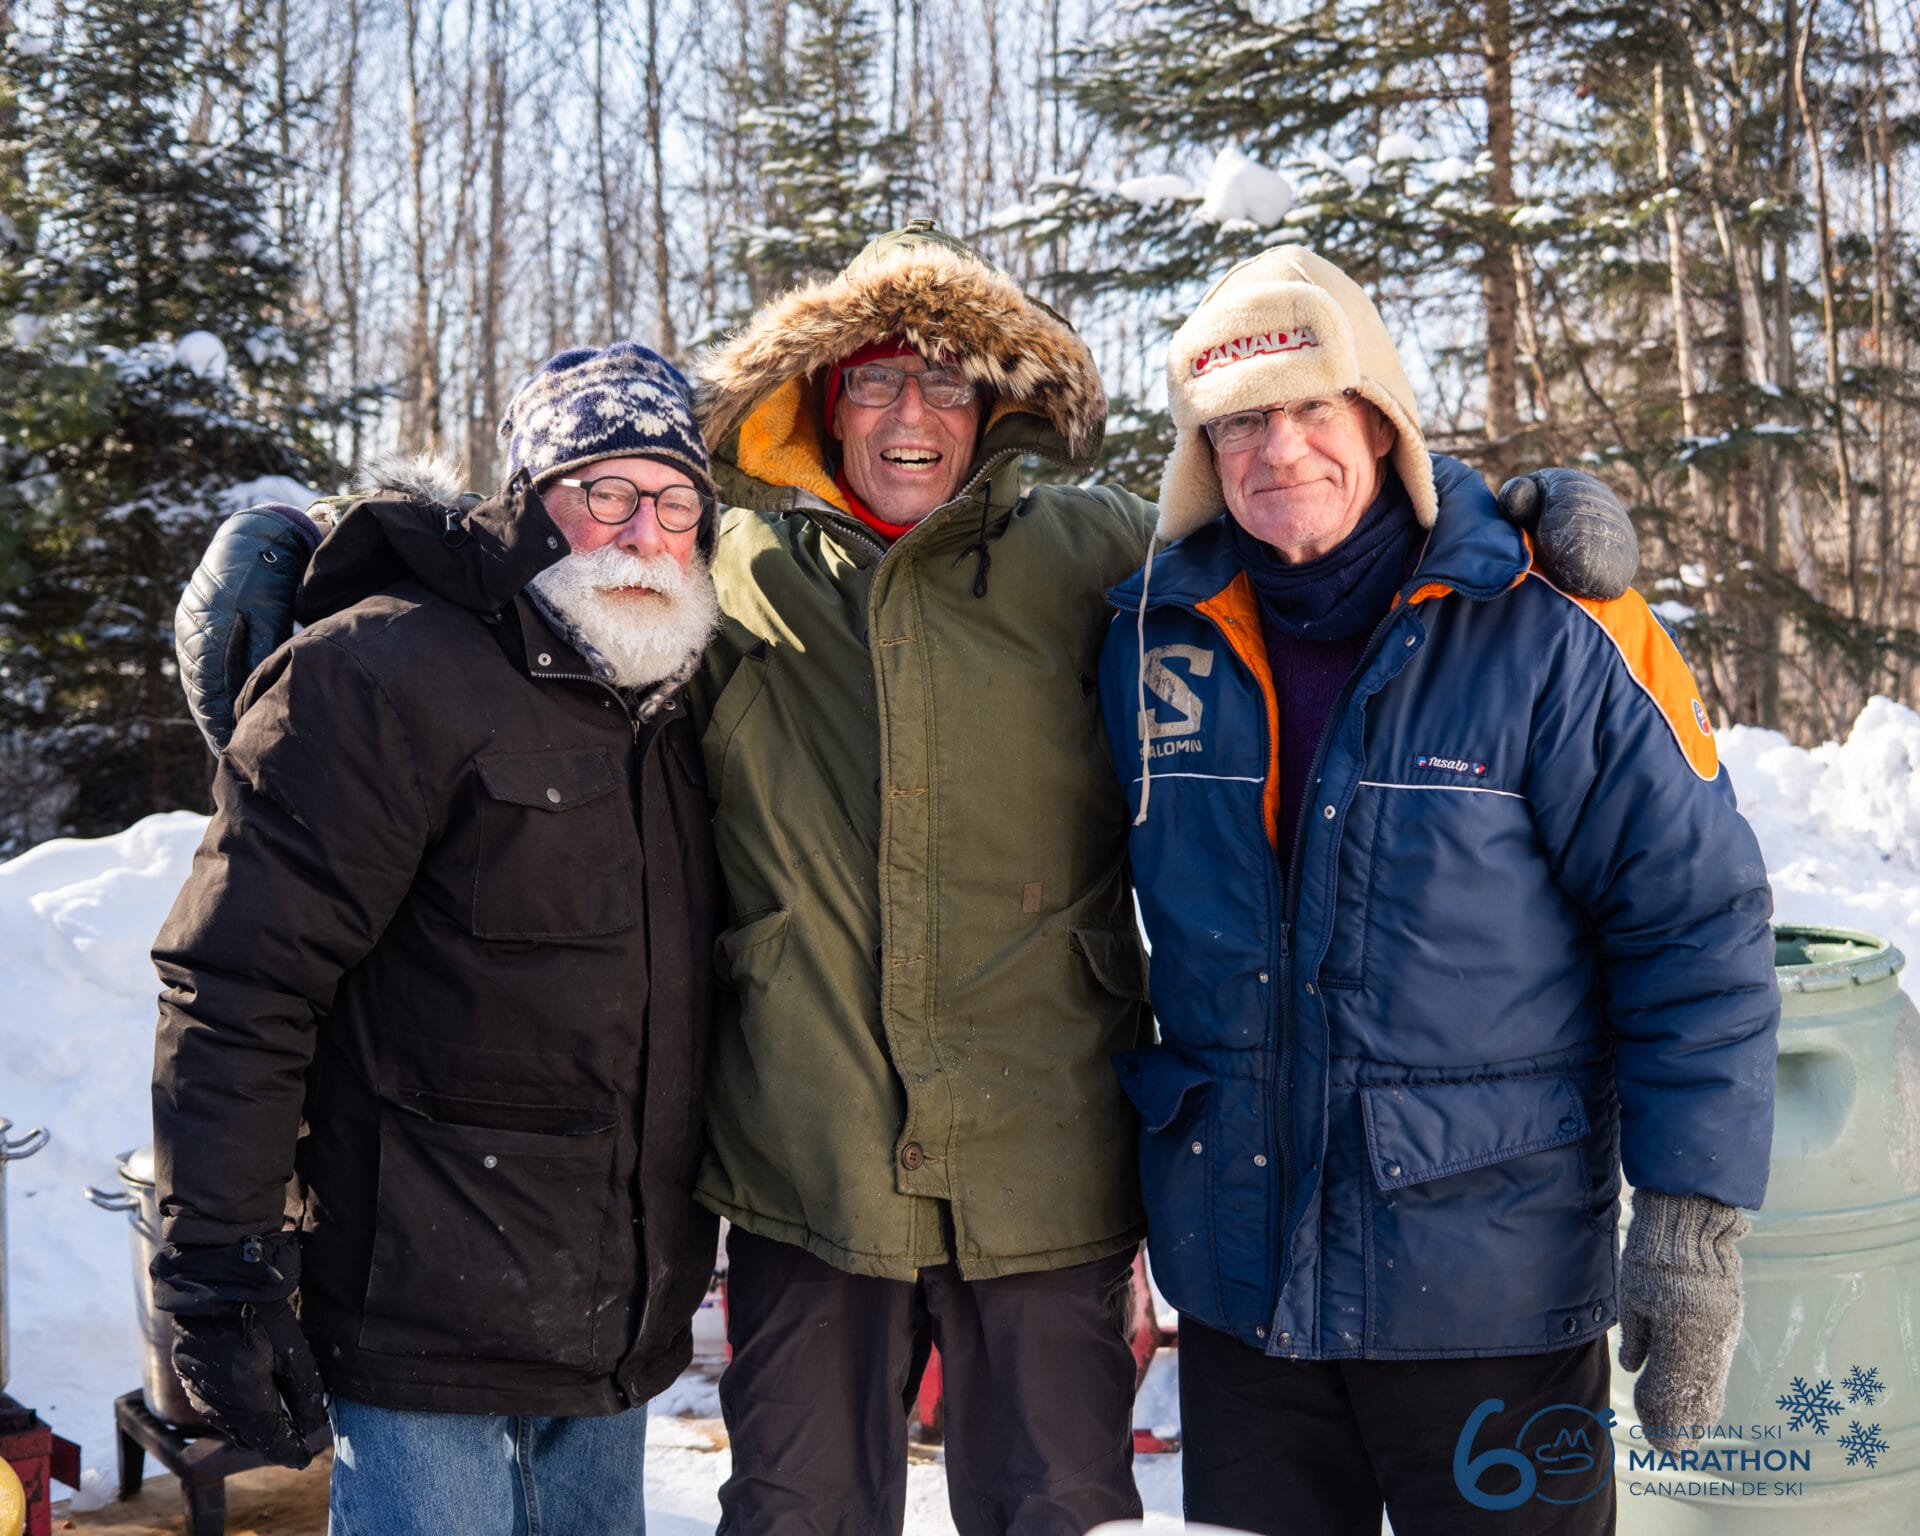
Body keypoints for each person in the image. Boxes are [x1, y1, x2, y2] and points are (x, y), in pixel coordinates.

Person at [169, 222, 1636, 1536]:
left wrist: (1506, 519)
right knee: (798, 1514)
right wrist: (310, 546)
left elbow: (1306, 533)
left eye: (947, 381)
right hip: (807, 1163)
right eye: (876, 381)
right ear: (821, 401)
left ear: (994, 408)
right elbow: (533, 569)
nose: (911, 414)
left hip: (1044, 1164)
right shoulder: (721, 566)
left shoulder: (1096, 553)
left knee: (1062, 1515)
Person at [1098, 245, 1779, 1536]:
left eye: (1314, 407)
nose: (1279, 449)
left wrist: (1692, 1225)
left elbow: (1692, 924)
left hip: (1490, 1292)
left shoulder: (1551, 629)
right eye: (1239, 420)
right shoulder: (1149, 638)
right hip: (1247, 1297)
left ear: (1382, 421)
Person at [148, 343, 725, 1536]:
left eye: (676, 503)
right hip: (423, 1325)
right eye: (607, 492)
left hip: (611, 1330)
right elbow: (241, 981)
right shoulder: (379, 670)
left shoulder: (670, 699)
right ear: (528, 502)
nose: (644, 534)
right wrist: (220, 1267)